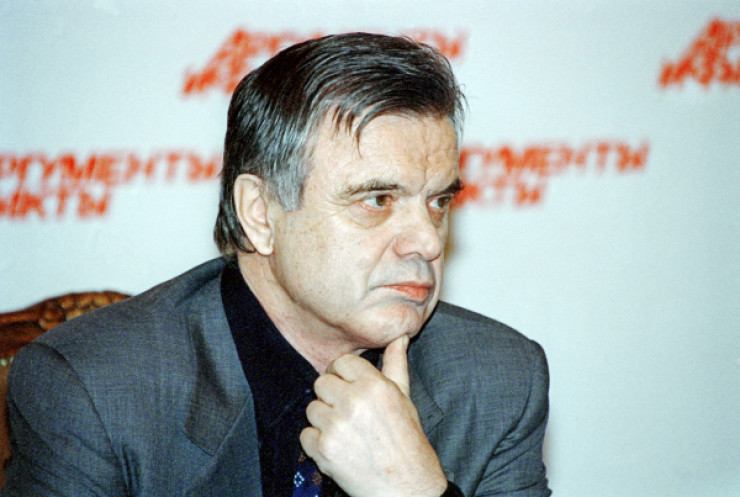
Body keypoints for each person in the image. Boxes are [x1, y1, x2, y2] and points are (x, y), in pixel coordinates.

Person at [1, 33, 551, 496]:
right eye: (377, 200)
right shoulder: (96, 388)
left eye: (438, 202)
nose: (428, 242)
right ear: (260, 213)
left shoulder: (498, 377)